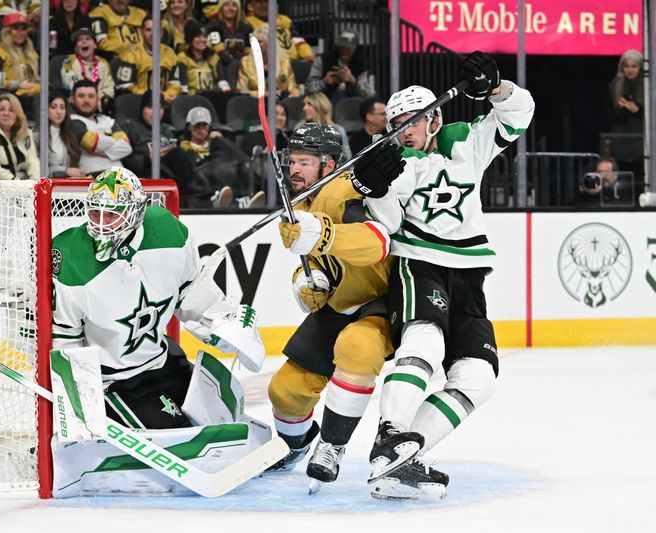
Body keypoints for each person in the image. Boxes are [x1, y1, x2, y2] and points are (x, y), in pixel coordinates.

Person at [353, 52, 534, 500]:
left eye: (412, 119)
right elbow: (389, 226)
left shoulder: (465, 141)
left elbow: (520, 113)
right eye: (396, 122)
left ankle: (401, 462)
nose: (404, 128)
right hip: (421, 264)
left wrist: (495, 88)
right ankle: (389, 432)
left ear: (433, 119)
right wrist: (374, 191)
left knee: (478, 377)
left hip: (469, 274)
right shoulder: (390, 162)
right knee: (425, 342)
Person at [49, 167, 268, 496]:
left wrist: (222, 324)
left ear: (136, 212)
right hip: (117, 383)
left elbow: (191, 295)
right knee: (182, 437)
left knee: (223, 413)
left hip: (163, 361)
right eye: (95, 212)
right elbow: (66, 341)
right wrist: (81, 410)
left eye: (112, 215)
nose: (100, 223)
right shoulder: (69, 257)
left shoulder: (166, 230)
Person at [267, 124, 401, 488]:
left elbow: (377, 243)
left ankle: (331, 445)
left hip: (379, 302)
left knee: (357, 348)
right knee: (285, 391)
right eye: (292, 161)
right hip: (340, 304)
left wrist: (323, 233)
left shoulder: (343, 190)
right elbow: (314, 260)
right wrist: (307, 282)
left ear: (329, 164)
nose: (295, 170)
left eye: (305, 162)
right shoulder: (300, 202)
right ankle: (295, 446)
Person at [179, 106, 264, 208]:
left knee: (239, 166)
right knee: (219, 158)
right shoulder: (184, 147)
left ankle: (245, 196)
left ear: (209, 126)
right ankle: (253, 164)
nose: (201, 129)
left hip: (224, 173)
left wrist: (222, 142)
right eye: (197, 125)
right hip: (202, 176)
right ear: (189, 127)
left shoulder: (215, 143)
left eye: (204, 125)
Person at [111, 14, 184, 103]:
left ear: (161, 33)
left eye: (156, 30)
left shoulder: (170, 53)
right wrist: (153, 96)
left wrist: (167, 95)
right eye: (148, 30)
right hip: (138, 103)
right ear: (141, 32)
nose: (152, 34)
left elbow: (175, 84)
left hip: (164, 103)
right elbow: (126, 87)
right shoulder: (130, 55)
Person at [70, 79, 132, 176]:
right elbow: (92, 144)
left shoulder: (108, 120)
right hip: (91, 177)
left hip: (120, 176)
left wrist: (100, 145)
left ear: (97, 99)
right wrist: (113, 140)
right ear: (73, 100)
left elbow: (127, 147)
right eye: (81, 96)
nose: (86, 100)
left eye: (91, 96)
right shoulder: (72, 121)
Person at [0, 92, 41, 180]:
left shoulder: (26, 133)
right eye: (2, 109)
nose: (6, 113)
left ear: (17, 115)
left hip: (23, 185)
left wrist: (37, 184)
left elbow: (33, 163)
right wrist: (20, 185)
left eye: (11, 110)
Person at [0, 12, 41, 97]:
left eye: (23, 29)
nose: (20, 33)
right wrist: (18, 84)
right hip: (7, 98)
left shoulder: (31, 53)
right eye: (15, 29)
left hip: (31, 95)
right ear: (6, 31)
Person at [306, 30, 375, 104]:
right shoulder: (323, 60)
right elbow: (308, 89)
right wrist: (324, 82)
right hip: (324, 103)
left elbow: (370, 95)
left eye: (348, 48)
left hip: (354, 105)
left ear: (355, 48)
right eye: (342, 47)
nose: (345, 51)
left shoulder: (362, 65)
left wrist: (353, 81)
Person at [237, 26, 298, 99]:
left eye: (259, 42)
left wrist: (292, 96)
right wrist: (263, 94)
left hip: (281, 101)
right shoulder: (246, 62)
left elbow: (293, 87)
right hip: (255, 103)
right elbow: (242, 90)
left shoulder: (284, 60)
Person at [244, 0, 314, 62]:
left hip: (294, 63)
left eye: (266, 1)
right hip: (268, 65)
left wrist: (307, 55)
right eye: (258, 2)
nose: (263, 5)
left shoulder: (285, 21)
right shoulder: (247, 23)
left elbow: (298, 41)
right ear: (252, 5)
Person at [60, 27, 115, 100]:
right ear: (76, 48)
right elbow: (69, 84)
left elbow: (109, 88)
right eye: (79, 40)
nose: (84, 41)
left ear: (95, 45)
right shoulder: (69, 61)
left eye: (87, 39)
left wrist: (98, 97)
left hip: (98, 102)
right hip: (77, 101)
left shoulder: (103, 63)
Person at [176, 20, 229, 95]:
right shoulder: (183, 58)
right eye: (198, 36)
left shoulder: (213, 57)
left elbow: (221, 79)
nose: (202, 40)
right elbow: (183, 86)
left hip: (212, 98)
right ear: (190, 39)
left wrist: (227, 93)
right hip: (191, 99)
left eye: (205, 36)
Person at [296, 92, 352, 160]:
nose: (304, 108)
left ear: (320, 107)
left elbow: (347, 158)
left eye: (309, 104)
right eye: (304, 104)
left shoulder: (338, 130)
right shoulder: (300, 128)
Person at [45, 93, 84, 178]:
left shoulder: (70, 133)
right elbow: (39, 169)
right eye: (53, 107)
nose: (59, 112)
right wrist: (65, 170)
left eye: (62, 107)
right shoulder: (37, 135)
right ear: (45, 109)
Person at [205, 0, 252, 68]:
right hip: (219, 65)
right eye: (226, 5)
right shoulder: (213, 26)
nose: (230, 8)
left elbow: (248, 52)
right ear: (221, 8)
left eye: (234, 5)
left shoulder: (246, 28)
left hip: (241, 66)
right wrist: (234, 64)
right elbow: (218, 50)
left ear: (238, 9)